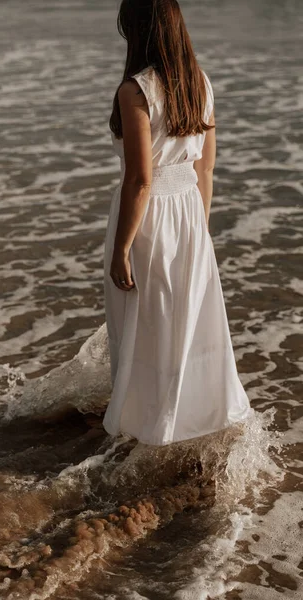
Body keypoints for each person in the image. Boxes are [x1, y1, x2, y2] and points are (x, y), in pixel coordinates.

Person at [102, 0, 253, 446]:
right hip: (189, 209)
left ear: (136, 29)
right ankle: (193, 417)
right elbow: (205, 168)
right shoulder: (200, 84)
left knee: (141, 321)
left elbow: (140, 178)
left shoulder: (136, 90)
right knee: (185, 321)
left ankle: (143, 424)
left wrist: (121, 248)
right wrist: (200, 230)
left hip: (149, 218)